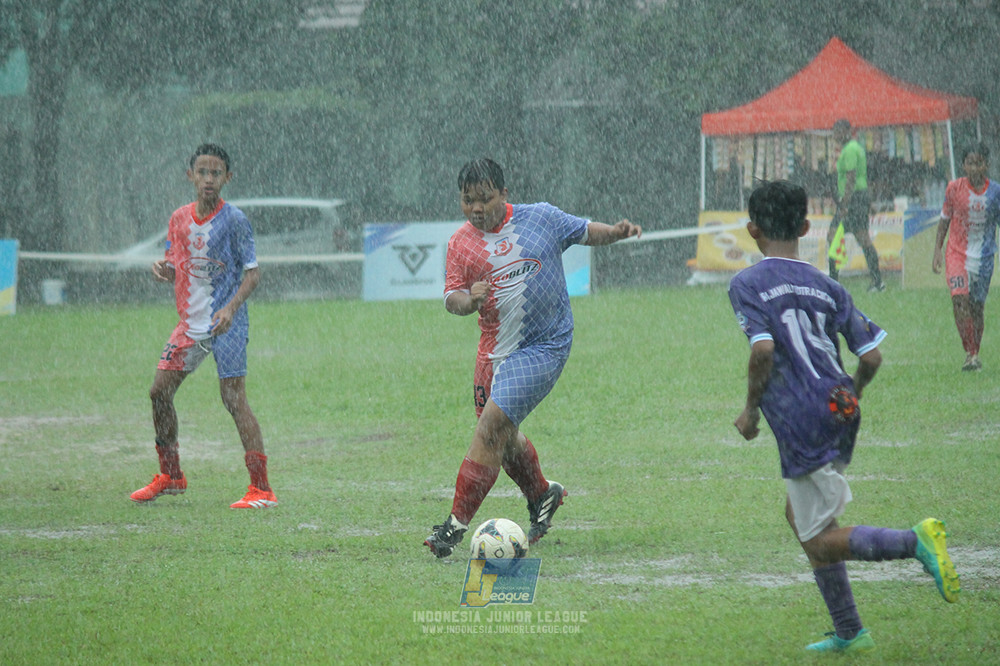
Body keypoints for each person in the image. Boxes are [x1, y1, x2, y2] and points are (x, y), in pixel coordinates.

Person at [730, 180, 959, 654]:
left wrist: (750, 411)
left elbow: (763, 351)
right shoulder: (828, 285)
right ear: (805, 227)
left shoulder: (747, 283)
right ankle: (851, 631)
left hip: (800, 416)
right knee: (800, 514)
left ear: (753, 229)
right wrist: (851, 393)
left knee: (818, 539)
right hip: (841, 406)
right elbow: (871, 357)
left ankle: (914, 541)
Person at [424, 158, 641, 558]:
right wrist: (468, 301)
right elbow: (451, 298)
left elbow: (584, 231)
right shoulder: (460, 244)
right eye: (468, 200)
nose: (476, 208)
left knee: (492, 426)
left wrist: (615, 232)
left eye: (485, 198)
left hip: (545, 345)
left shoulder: (541, 218)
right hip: (493, 353)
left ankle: (453, 526)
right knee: (501, 438)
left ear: (504, 194)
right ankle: (542, 493)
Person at [130, 143, 277, 509]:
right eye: (202, 172)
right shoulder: (179, 219)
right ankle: (171, 475)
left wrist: (230, 308)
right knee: (159, 392)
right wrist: (163, 270)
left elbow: (253, 274)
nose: (208, 179)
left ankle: (262, 488)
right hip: (190, 325)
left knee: (233, 399)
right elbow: (176, 266)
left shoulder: (235, 220)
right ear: (190, 176)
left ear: (227, 178)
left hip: (227, 322)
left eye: (216, 173)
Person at [932, 143, 1000, 371]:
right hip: (957, 254)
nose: (974, 168)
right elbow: (944, 220)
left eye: (978, 163)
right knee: (959, 301)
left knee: (977, 307)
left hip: (984, 258)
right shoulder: (954, 189)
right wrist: (937, 250)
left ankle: (975, 352)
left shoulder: (995, 193)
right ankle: (970, 353)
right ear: (963, 165)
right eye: (970, 163)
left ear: (986, 165)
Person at [825, 119, 884, 292]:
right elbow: (862, 177)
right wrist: (867, 201)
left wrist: (845, 203)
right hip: (859, 197)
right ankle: (877, 281)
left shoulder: (850, 150)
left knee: (833, 235)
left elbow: (851, 178)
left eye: (837, 132)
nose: (835, 136)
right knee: (862, 238)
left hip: (852, 199)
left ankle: (833, 282)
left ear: (846, 131)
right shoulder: (856, 147)